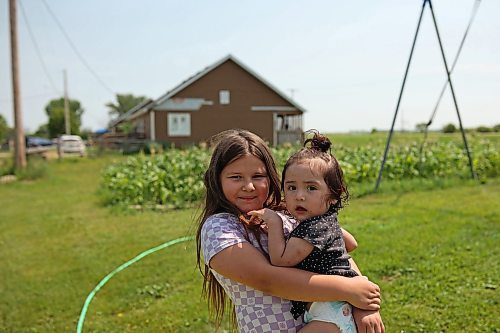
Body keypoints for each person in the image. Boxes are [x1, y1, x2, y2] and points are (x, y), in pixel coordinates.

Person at [195, 129, 384, 333]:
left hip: (326, 322)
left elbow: (337, 254)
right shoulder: (219, 228)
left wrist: (363, 304)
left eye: (258, 176)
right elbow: (267, 279)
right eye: (236, 177)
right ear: (217, 180)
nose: (248, 186)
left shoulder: (290, 214)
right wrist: (348, 290)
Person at [248, 131, 368, 332]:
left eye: (311, 188)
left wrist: (274, 221)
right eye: (292, 188)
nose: (299, 196)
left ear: (333, 196)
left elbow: (280, 260)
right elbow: (351, 243)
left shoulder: (313, 228)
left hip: (329, 313)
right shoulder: (326, 221)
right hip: (331, 308)